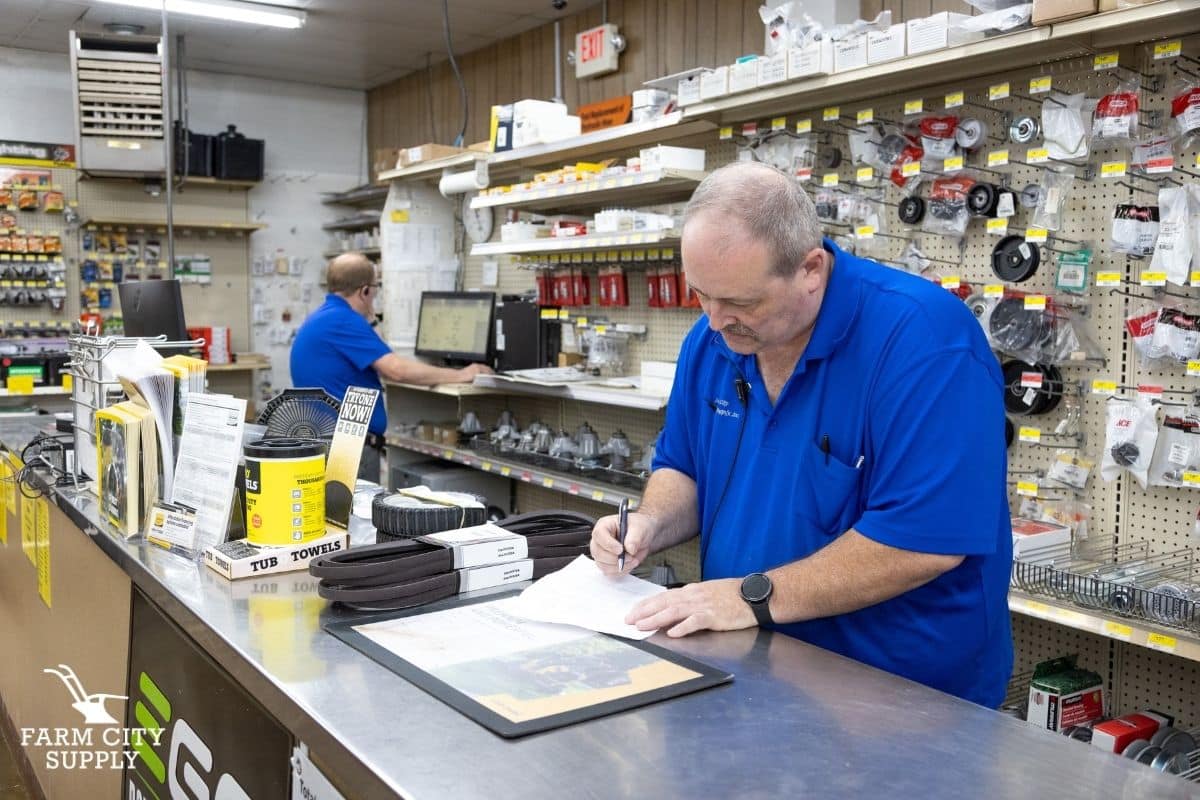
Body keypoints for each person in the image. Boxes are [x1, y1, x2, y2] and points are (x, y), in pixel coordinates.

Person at [589, 162, 1013, 708]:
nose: (715, 321)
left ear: (811, 269)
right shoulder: (713, 339)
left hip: (902, 697)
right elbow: (686, 468)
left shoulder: (926, 343)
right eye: (701, 296)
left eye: (741, 303)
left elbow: (922, 544)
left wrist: (749, 597)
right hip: (754, 669)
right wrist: (649, 523)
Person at [290, 252, 492, 481]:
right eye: (375, 290)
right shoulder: (344, 321)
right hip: (346, 448)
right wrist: (464, 374)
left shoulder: (321, 317)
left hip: (327, 441)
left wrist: (370, 320)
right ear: (365, 291)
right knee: (356, 516)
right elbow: (397, 370)